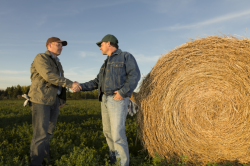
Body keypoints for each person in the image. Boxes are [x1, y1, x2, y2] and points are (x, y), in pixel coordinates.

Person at [76, 34, 140, 166]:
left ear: (109, 43)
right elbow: (96, 82)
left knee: (117, 135)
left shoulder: (125, 56)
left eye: (101, 44)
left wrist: (123, 92)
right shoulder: (105, 63)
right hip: (104, 100)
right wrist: (80, 86)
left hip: (117, 100)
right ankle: (114, 162)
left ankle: (123, 163)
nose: (100, 47)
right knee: (108, 133)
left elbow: (135, 75)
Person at [28, 37, 81, 166]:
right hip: (41, 100)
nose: (61, 47)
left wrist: (62, 98)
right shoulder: (41, 57)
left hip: (54, 101)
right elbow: (49, 76)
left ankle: (45, 159)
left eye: (62, 45)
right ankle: (36, 163)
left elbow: (59, 82)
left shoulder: (58, 62)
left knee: (48, 133)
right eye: (58, 45)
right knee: (40, 134)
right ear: (49, 45)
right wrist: (71, 84)